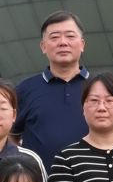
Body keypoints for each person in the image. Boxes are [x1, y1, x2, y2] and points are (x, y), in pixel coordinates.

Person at [13, 12, 90, 167]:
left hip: (92, 180)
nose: (63, 42)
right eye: (54, 37)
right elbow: (10, 136)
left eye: (70, 36)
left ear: (82, 44)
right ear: (43, 46)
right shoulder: (24, 90)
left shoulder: (100, 88)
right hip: (39, 180)